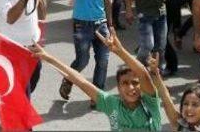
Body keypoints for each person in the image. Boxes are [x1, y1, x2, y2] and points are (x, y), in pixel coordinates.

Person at [31, 27, 162, 131]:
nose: (130, 88)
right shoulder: (111, 104)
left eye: (135, 83)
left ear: (142, 87)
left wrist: (120, 51)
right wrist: (49, 58)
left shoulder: (150, 104)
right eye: (125, 83)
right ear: (118, 87)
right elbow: (80, 81)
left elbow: (143, 74)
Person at [148, 53, 200, 132]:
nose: (189, 108)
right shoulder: (178, 125)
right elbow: (166, 98)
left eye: (195, 105)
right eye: (186, 104)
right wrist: (154, 73)